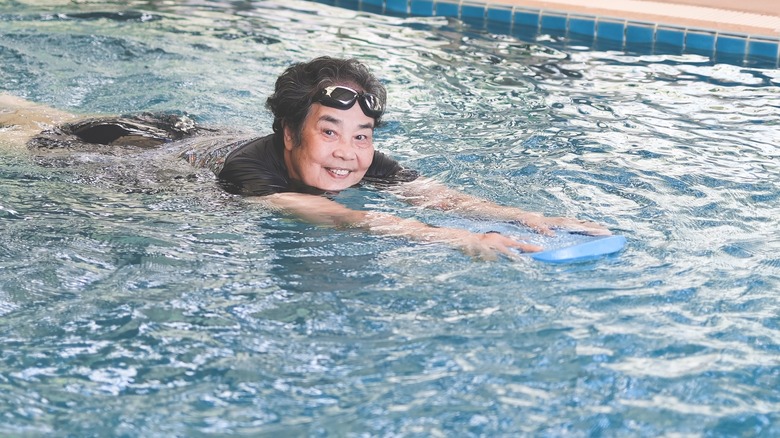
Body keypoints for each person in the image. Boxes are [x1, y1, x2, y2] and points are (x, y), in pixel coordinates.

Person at [1, 56, 610, 260]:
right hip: (118, 147)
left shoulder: (361, 160)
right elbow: (347, 218)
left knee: (27, 106)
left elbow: (440, 196)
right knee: (30, 132)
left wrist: (526, 218)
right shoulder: (250, 174)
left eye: (362, 133)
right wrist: (455, 241)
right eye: (330, 132)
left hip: (179, 128)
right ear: (289, 133)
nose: (349, 152)